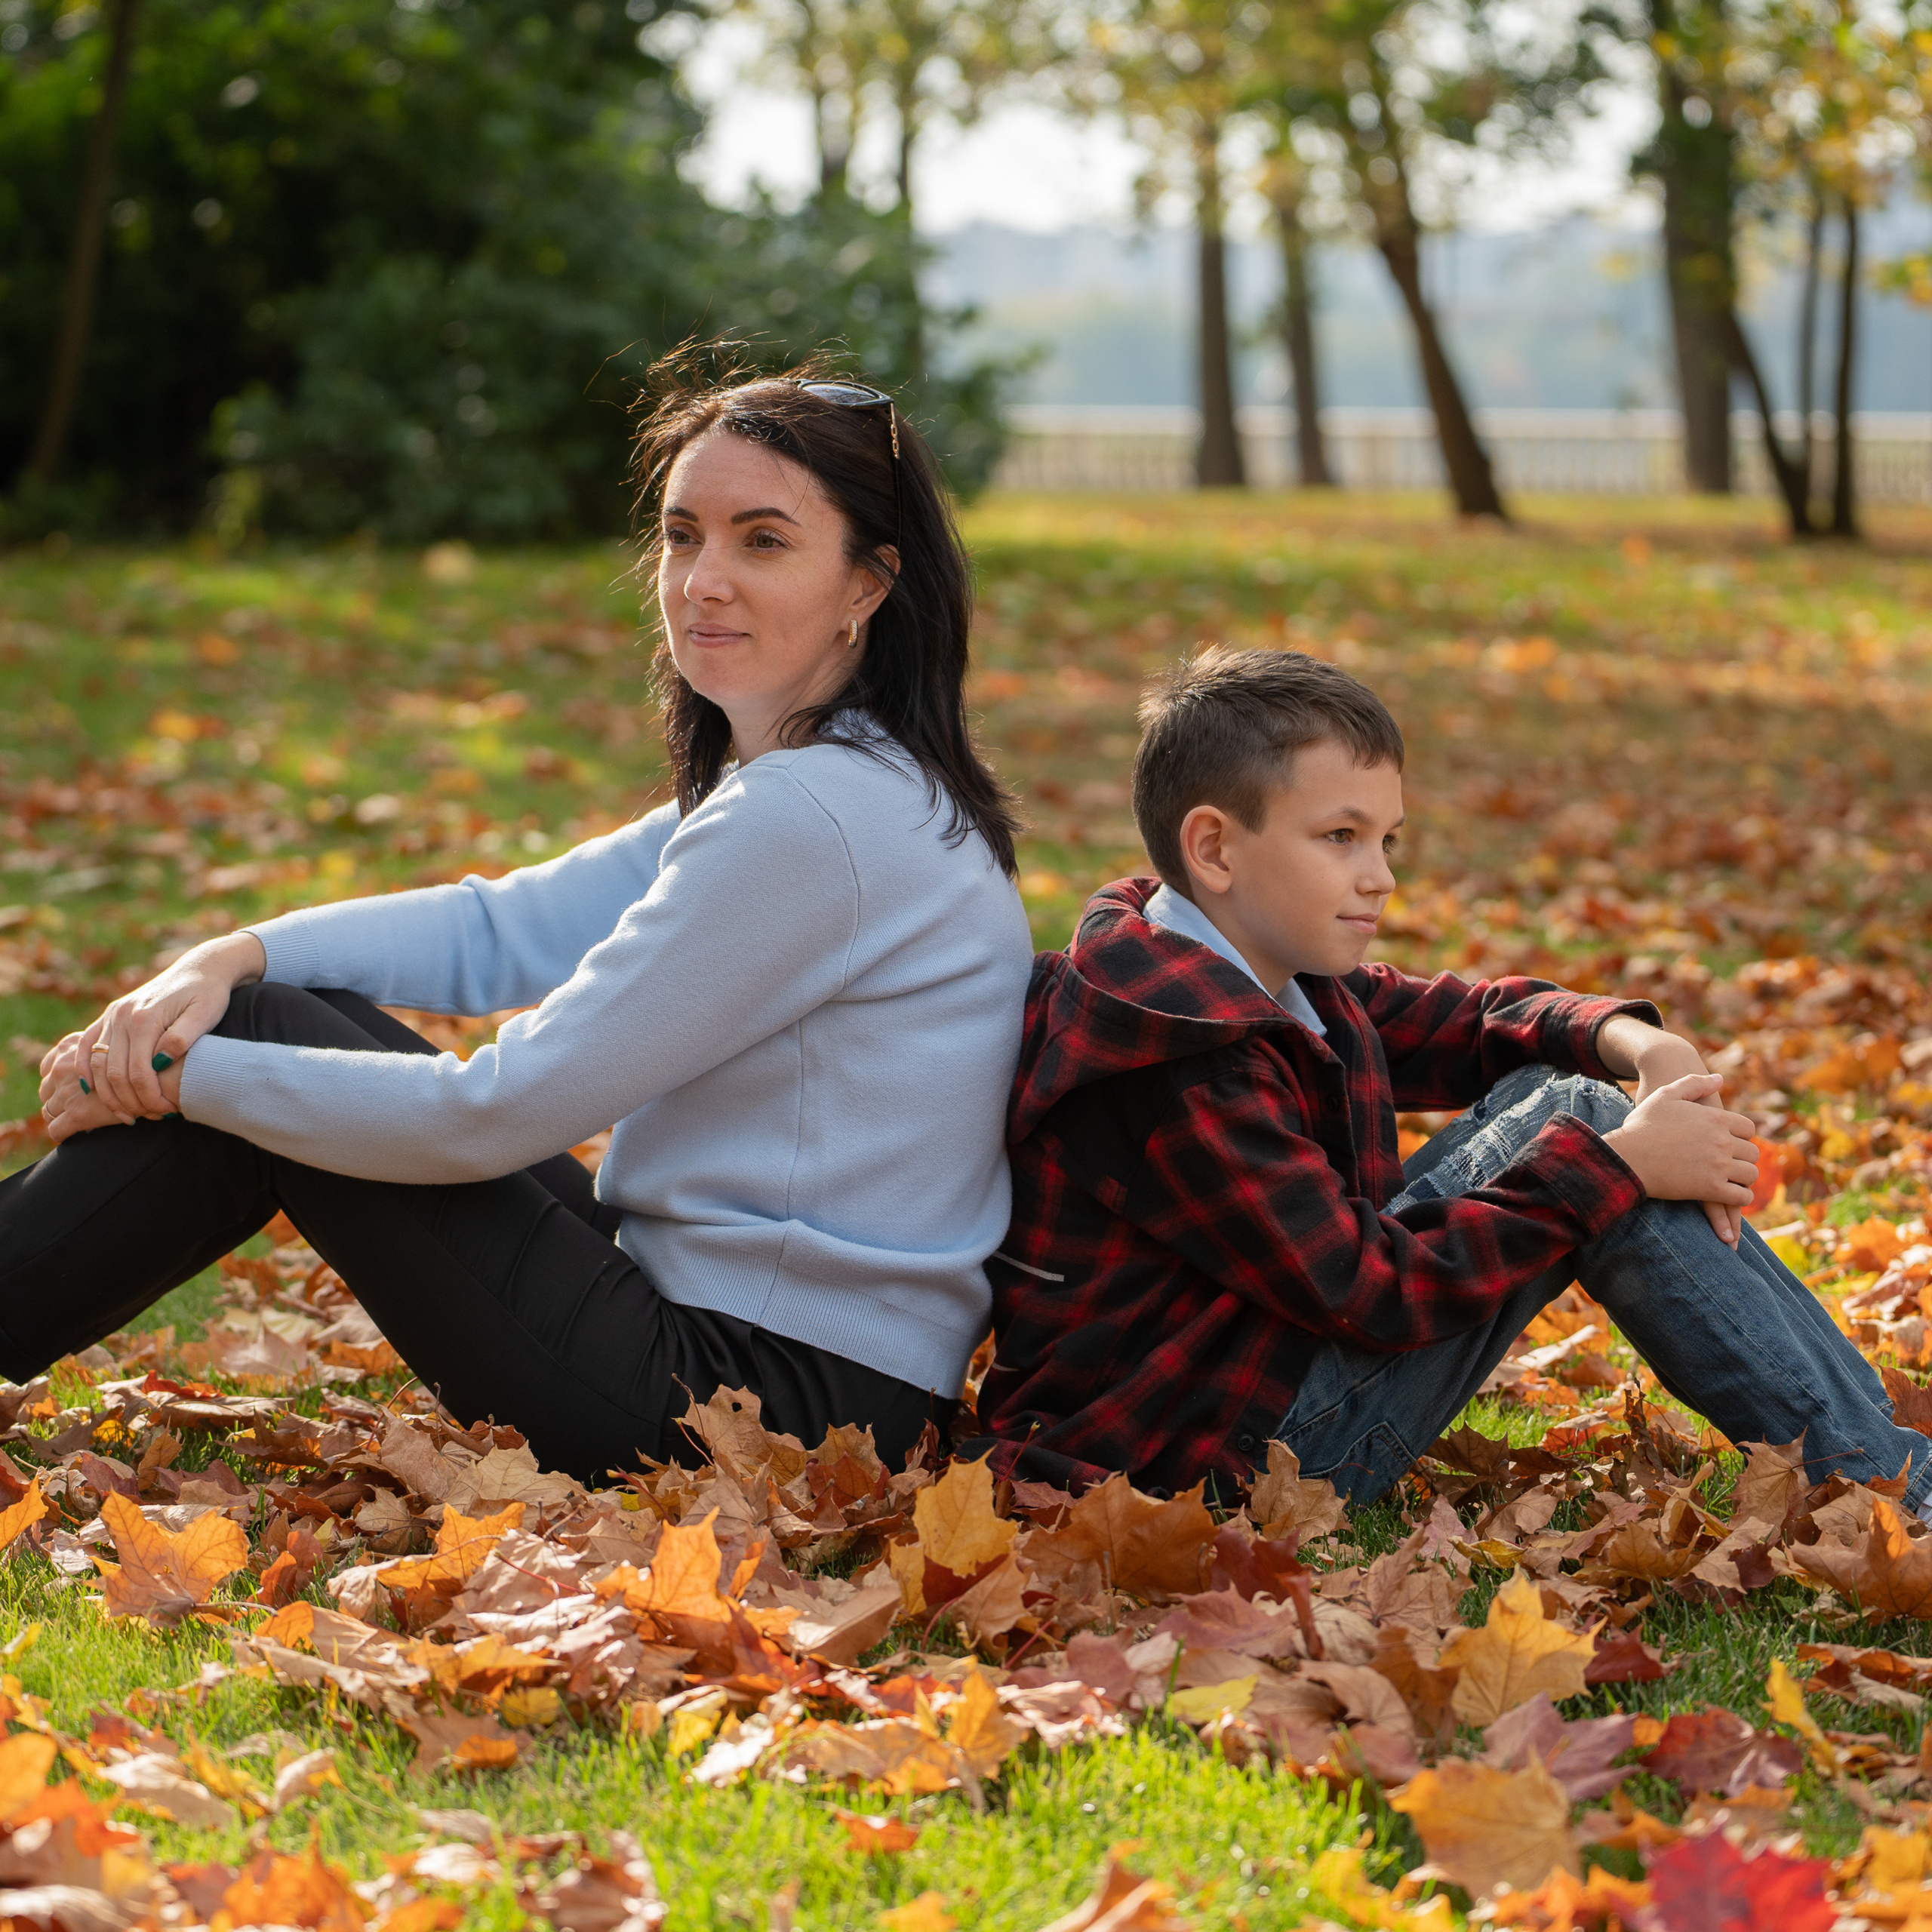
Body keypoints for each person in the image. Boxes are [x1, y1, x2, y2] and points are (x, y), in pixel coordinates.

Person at [7, 365, 1033, 1481]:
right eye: (683, 536)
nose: (704, 580)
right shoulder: (837, 783)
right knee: (268, 1011)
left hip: (768, 1407)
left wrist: (183, 1074)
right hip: (801, 1374)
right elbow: (500, 930)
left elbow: (487, 1115)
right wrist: (228, 957)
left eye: (764, 542)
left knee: (258, 1048)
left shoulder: (811, 816)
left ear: (868, 585)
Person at [971, 644, 1931, 1509]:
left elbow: (1467, 1022)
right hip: (1195, 1465)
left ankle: (1881, 1463)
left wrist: (1641, 1045)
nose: (1380, 875)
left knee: (1578, 1102)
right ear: (1214, 848)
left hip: (1243, 1384)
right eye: (1340, 838)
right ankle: (1894, 1487)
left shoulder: (1256, 965)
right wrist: (1620, 1170)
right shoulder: (1178, 1055)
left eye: (1386, 839)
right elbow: (1373, 1289)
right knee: (1592, 1136)